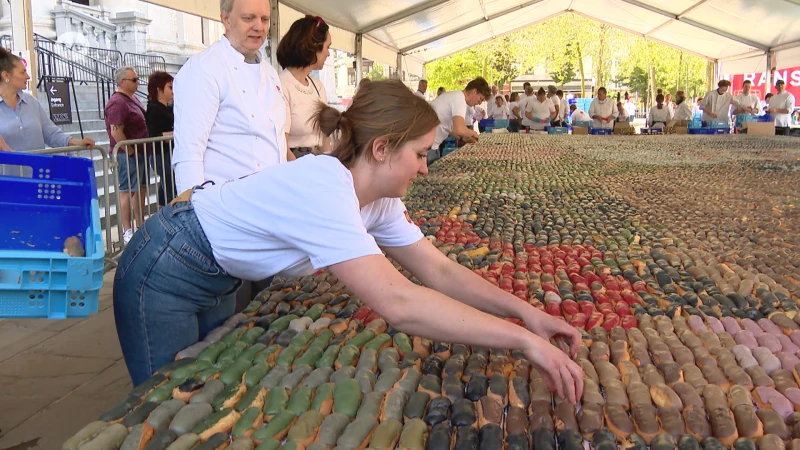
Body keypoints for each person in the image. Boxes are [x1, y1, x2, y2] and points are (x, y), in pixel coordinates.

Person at [112, 80, 585, 403]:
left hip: (215, 271)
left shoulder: (377, 199)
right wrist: (523, 343)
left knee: (199, 385)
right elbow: (399, 302)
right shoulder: (327, 187)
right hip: (167, 266)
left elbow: (438, 270)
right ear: (381, 149)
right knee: (163, 403)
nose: (426, 167)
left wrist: (527, 314)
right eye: (419, 154)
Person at [172, 0, 290, 195]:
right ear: (226, 19)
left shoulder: (270, 72)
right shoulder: (204, 69)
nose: (259, 27)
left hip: (273, 199)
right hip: (226, 207)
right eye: (248, 18)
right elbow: (189, 154)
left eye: (264, 19)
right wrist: (191, 213)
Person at [0, 47, 95, 151]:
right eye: (22, 72)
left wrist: (77, 142)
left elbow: (51, 133)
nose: (27, 76)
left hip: (37, 166)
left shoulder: (32, 103)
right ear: (6, 75)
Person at [106, 66, 150, 245]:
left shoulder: (132, 99)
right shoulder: (117, 102)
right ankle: (127, 230)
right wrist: (130, 151)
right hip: (126, 154)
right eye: (134, 80)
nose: (137, 82)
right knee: (127, 190)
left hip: (138, 152)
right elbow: (116, 131)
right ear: (122, 82)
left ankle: (139, 225)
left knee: (140, 189)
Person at [278, 15, 333, 158]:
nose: (328, 53)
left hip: (316, 162)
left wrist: (330, 163)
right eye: (327, 47)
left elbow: (324, 138)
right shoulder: (281, 85)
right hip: (293, 164)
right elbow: (281, 144)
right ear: (313, 47)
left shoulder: (318, 86)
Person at [430, 77, 487, 154]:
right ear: (474, 91)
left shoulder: (456, 96)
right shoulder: (459, 99)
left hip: (430, 144)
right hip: (427, 145)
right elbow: (459, 129)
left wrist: (463, 138)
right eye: (480, 98)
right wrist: (474, 133)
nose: (480, 102)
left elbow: (447, 128)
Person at [145, 71, 176, 206]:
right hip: (161, 155)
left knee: (168, 187)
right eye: (170, 87)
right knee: (170, 188)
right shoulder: (154, 109)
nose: (173, 91)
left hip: (168, 153)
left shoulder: (168, 108)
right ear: (159, 90)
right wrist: (173, 134)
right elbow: (153, 134)